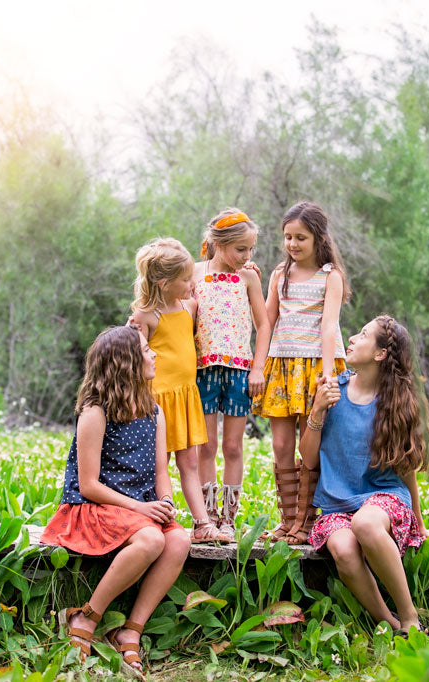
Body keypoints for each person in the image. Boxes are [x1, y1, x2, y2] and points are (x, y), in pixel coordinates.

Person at [40, 326, 191, 678]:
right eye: (145, 349)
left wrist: (165, 499)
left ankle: (131, 629)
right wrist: (140, 509)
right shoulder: (95, 412)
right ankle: (87, 616)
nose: (153, 354)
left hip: (138, 510)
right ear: (124, 362)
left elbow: (160, 471)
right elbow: (89, 484)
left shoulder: (154, 411)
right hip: (92, 508)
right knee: (152, 539)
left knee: (179, 539)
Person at [301, 315, 429, 634]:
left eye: (363, 334)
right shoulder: (332, 391)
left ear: (380, 354)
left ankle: (410, 616)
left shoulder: (396, 401)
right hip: (336, 505)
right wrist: (317, 411)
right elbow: (307, 459)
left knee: (365, 523)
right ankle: (390, 624)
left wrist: (419, 521)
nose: (354, 338)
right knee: (344, 549)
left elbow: (406, 467)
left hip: (384, 499)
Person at [252, 201, 350, 544]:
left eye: (301, 238)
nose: (293, 244)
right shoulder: (280, 275)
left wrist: (327, 374)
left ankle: (307, 521)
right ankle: (288, 519)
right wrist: (257, 367)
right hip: (281, 364)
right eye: (288, 237)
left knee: (312, 441)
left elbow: (329, 326)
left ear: (317, 238)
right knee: (281, 444)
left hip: (316, 365)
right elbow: (266, 322)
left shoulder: (330, 276)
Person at [131, 238, 229, 543]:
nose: (192, 283)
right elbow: (131, 358)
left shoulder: (190, 305)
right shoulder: (144, 316)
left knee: (189, 463)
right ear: (163, 283)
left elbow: (216, 283)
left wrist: (242, 269)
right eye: (186, 279)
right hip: (156, 401)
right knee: (157, 465)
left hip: (186, 397)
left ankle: (202, 524)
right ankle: (158, 517)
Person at [194, 208, 271, 539]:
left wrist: (258, 367)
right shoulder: (195, 273)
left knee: (233, 447)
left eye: (251, 249)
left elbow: (264, 323)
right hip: (204, 370)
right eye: (241, 249)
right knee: (206, 447)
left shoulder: (249, 277)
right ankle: (208, 517)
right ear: (217, 243)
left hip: (240, 371)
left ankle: (229, 517)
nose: (247, 256)